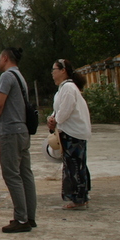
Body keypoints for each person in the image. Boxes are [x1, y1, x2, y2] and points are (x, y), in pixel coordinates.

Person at [0, 47, 37, 233]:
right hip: (22, 131)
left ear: (5, 58)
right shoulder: (20, 77)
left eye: (0, 58)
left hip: (11, 131)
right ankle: (29, 216)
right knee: (25, 175)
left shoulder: (7, 77)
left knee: (11, 174)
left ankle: (21, 218)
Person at [48, 59, 92, 209]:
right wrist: (52, 118)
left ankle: (80, 199)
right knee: (74, 165)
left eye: (54, 69)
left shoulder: (68, 88)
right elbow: (58, 109)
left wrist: (56, 121)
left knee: (75, 166)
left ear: (63, 71)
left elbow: (65, 110)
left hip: (73, 133)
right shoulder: (63, 88)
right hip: (69, 131)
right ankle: (80, 195)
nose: (52, 73)